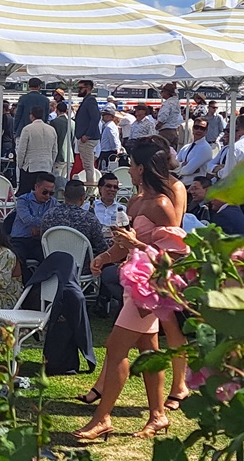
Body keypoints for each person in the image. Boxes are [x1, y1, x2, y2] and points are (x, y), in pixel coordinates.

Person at [75, 139, 185, 441]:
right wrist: (105, 256)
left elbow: (175, 253)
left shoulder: (162, 204)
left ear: (142, 168)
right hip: (133, 280)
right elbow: (124, 245)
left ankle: (103, 417)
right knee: (149, 351)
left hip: (149, 286)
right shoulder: (136, 201)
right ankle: (158, 415)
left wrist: (138, 245)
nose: (129, 170)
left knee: (115, 348)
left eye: (133, 164)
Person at [40, 179, 108, 261]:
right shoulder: (89, 219)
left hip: (54, 266)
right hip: (82, 268)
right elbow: (102, 248)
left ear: (64, 195)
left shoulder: (48, 216)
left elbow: (43, 241)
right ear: (83, 198)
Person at [10, 172, 57, 265]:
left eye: (51, 193)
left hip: (40, 241)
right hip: (20, 239)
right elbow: (27, 219)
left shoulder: (53, 202)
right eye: (45, 192)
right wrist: (45, 224)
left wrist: (40, 229)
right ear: (36, 187)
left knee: (49, 259)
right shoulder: (23, 200)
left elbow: (57, 220)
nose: (48, 195)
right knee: (18, 259)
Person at [16, 105, 58, 195]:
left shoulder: (27, 129)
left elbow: (21, 150)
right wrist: (50, 162)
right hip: (46, 166)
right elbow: (55, 150)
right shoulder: (52, 130)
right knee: (44, 194)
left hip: (30, 167)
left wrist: (20, 165)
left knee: (25, 195)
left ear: (32, 116)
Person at [74, 79, 101, 186]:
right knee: (88, 166)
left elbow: (96, 117)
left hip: (87, 139)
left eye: (81, 88)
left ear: (88, 88)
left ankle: (91, 189)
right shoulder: (88, 100)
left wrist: (87, 135)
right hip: (86, 137)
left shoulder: (90, 100)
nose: (78, 90)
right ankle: (91, 188)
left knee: (88, 166)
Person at [175, 119, 213, 184]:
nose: (199, 130)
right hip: (181, 183)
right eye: (196, 127)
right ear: (192, 129)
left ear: (206, 131)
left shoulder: (205, 148)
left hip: (194, 186)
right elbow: (174, 164)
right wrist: (181, 165)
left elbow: (188, 170)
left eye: (202, 128)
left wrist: (178, 168)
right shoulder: (186, 147)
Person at [155, 83, 183, 149]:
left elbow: (163, 117)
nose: (161, 93)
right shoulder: (176, 102)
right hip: (174, 130)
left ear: (167, 92)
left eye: (162, 91)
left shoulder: (167, 103)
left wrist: (157, 126)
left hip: (165, 131)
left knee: (162, 150)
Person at [51, 101, 70, 179]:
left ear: (56, 110)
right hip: (69, 156)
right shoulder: (72, 123)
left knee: (56, 180)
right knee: (65, 179)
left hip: (58, 155)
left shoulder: (54, 122)